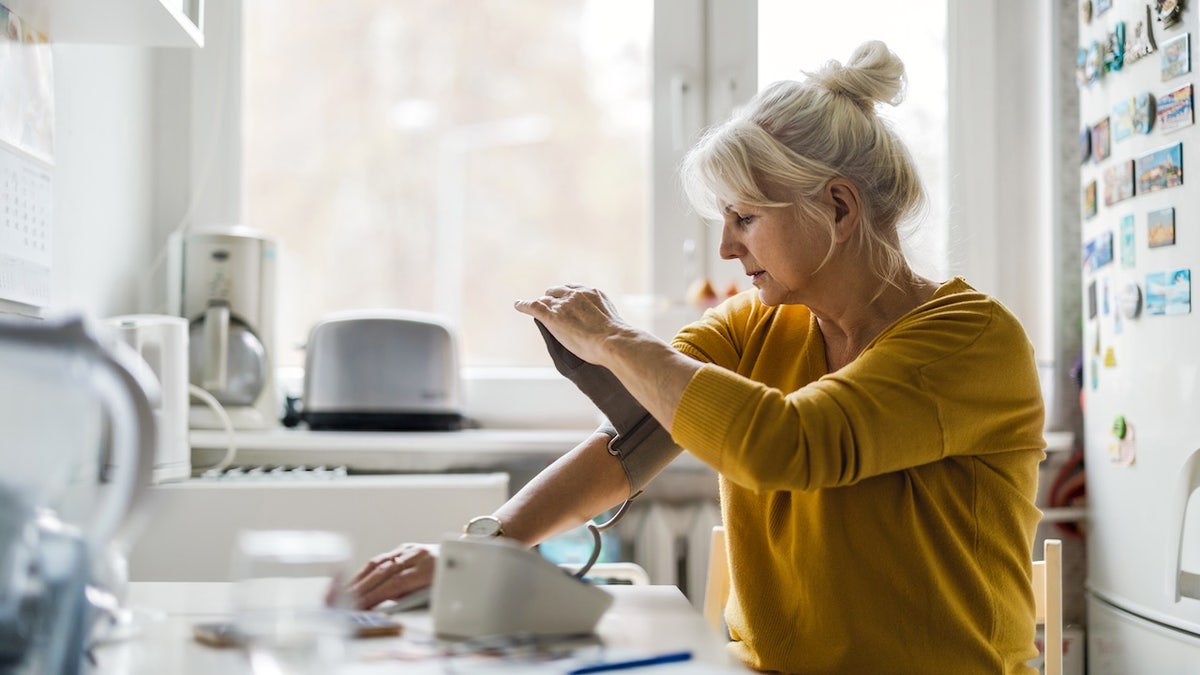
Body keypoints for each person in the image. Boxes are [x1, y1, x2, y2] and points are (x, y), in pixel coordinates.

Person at [346, 40, 1046, 674]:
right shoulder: (753, 326)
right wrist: (487, 549)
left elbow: (790, 444)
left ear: (838, 207)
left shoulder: (969, 342)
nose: (727, 249)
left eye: (745, 218)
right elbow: (642, 432)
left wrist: (617, 341)